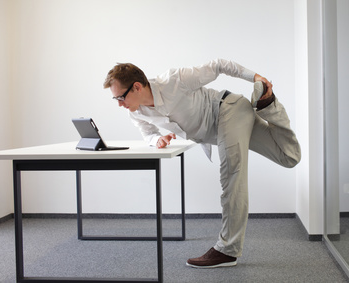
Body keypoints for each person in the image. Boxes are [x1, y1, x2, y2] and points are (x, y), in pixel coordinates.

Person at [103, 58, 301, 268]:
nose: (119, 104)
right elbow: (148, 134)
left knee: (232, 174)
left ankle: (227, 250)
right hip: (222, 131)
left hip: (229, 110)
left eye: (120, 97)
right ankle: (267, 104)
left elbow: (219, 65)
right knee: (289, 157)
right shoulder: (136, 112)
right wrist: (157, 139)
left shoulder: (174, 80)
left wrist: (255, 77)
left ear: (136, 87)